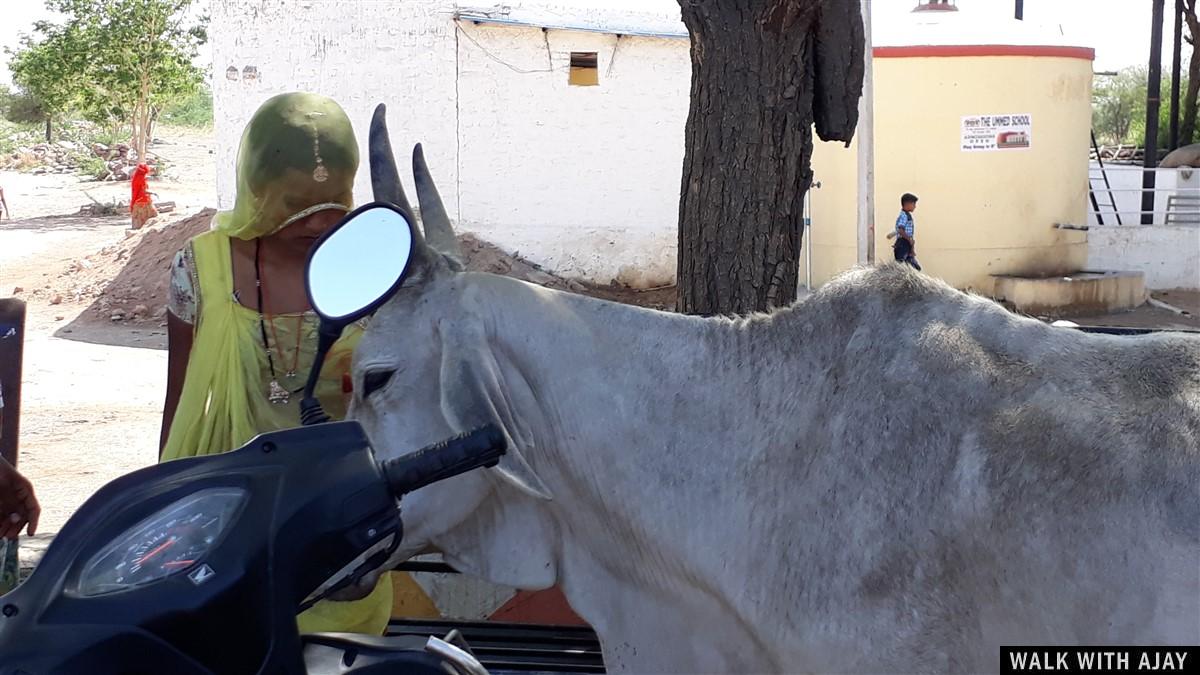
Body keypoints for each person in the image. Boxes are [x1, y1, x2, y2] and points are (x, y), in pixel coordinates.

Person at [159, 92, 416, 635]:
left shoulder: (372, 263)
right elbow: (180, 397)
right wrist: (163, 502)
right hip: (230, 515)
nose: (319, 221)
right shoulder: (202, 268)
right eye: (294, 203)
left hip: (341, 518)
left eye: (334, 201)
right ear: (257, 189)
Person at [886, 192, 922, 271]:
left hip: (907, 243)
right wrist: (909, 239)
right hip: (903, 244)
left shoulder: (908, 215)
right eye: (914, 204)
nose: (915, 206)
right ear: (907, 204)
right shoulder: (903, 215)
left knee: (915, 268)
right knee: (901, 266)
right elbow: (901, 230)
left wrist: (911, 247)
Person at [130, 163, 158, 229]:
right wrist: (152, 193)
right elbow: (143, 191)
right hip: (143, 201)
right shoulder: (141, 179)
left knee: (137, 220)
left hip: (137, 201)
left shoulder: (135, 178)